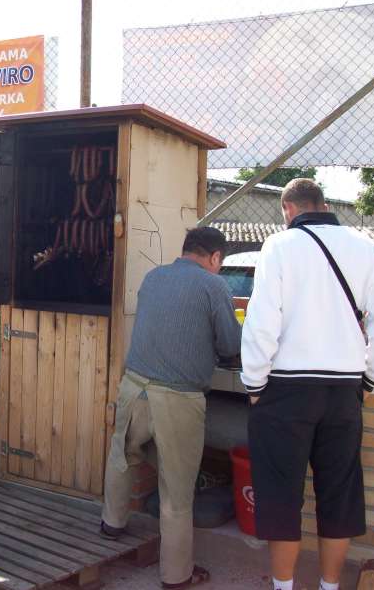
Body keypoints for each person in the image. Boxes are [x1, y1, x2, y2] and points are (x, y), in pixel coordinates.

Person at [241, 179, 374, 590]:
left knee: (281, 495)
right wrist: (370, 379)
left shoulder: (279, 246)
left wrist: (254, 384)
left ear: (288, 210)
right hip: (344, 390)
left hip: (285, 390)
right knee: (338, 495)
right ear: (324, 205)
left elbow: (261, 325)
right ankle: (330, 586)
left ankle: (284, 586)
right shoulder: (366, 248)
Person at [101, 227, 242, 589]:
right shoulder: (214, 286)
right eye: (220, 262)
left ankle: (111, 523)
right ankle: (177, 575)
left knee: (122, 457)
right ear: (215, 257)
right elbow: (230, 345)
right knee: (177, 490)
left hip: (133, 388)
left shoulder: (153, 277)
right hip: (177, 399)